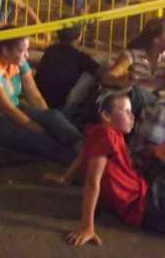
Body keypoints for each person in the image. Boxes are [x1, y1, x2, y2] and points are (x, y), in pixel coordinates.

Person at [48, 91, 165, 246]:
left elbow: (82, 156)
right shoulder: (106, 136)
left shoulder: (99, 132)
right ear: (106, 116)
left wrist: (66, 178)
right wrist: (87, 227)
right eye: (126, 111)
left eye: (131, 112)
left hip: (144, 190)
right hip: (140, 205)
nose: (132, 116)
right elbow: (92, 183)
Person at [0, 31, 82, 165]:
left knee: (54, 117)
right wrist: (36, 127)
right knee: (38, 139)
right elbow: (6, 108)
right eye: (22, 51)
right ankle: (78, 163)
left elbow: (35, 96)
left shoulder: (18, 62)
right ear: (5, 50)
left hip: (16, 109)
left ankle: (87, 149)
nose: (27, 55)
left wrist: (46, 117)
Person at [101, 17, 165, 116]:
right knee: (136, 93)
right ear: (156, 39)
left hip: (157, 105)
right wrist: (126, 82)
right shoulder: (133, 55)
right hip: (136, 101)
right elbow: (107, 77)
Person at [34, 26, 100, 112]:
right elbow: (104, 77)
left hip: (36, 100)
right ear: (79, 37)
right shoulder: (80, 58)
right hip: (59, 107)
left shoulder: (51, 50)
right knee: (95, 68)